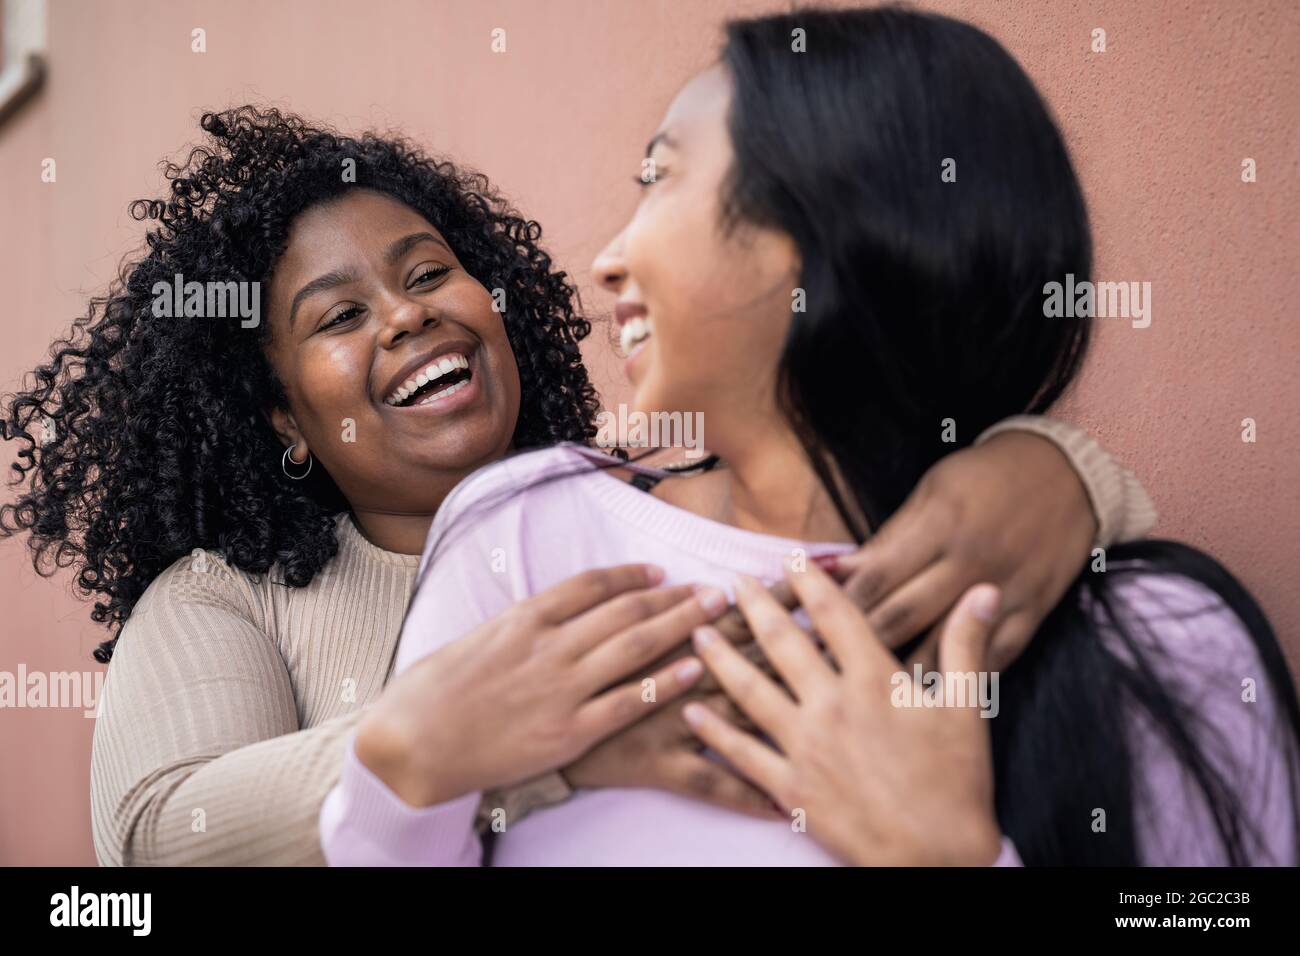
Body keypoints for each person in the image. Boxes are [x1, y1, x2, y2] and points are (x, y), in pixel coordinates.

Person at [2, 106, 1150, 866]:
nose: (407, 314)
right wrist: (504, 754)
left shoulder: (657, 499)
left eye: (429, 274)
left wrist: (1052, 468)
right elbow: (162, 833)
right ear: (281, 419)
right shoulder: (224, 595)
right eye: (341, 316)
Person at [320, 6, 1299, 866]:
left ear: (828, 233)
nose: (608, 259)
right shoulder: (521, 540)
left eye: (661, 177)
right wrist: (397, 771)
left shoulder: (1164, 644)